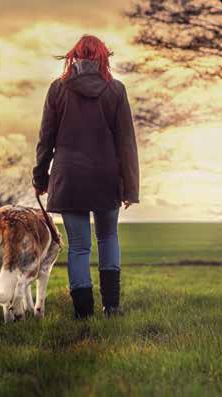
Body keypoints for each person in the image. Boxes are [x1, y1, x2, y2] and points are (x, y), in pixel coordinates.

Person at [32, 34, 140, 319]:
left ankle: (83, 314)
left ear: (73, 57)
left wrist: (40, 178)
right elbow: (126, 142)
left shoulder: (58, 89)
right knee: (108, 237)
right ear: (104, 58)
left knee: (79, 246)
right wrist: (130, 188)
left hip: (69, 179)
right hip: (106, 177)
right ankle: (112, 307)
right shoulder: (116, 90)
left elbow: (46, 139)